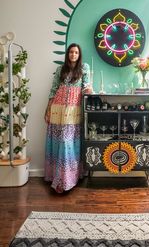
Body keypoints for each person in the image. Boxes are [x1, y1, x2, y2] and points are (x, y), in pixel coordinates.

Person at [44, 43, 91, 193]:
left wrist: (89, 89)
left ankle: (69, 179)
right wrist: (48, 109)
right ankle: (57, 179)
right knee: (59, 142)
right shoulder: (60, 69)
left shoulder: (84, 68)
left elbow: (86, 86)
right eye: (71, 52)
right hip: (58, 109)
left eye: (76, 52)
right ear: (67, 54)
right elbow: (53, 90)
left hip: (73, 110)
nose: (73, 55)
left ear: (79, 54)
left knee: (68, 142)